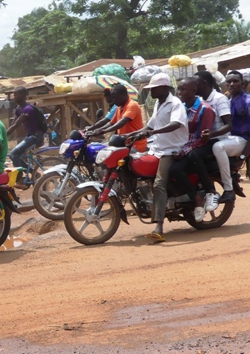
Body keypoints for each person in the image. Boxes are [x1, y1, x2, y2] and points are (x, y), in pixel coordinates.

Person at [132, 73, 188, 242]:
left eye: (154, 89)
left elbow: (176, 124)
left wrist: (153, 132)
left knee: (159, 184)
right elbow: (149, 125)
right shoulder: (159, 103)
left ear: (164, 88)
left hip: (171, 150)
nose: (151, 92)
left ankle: (159, 227)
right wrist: (131, 134)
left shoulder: (175, 103)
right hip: (156, 148)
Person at [169, 78, 218, 222]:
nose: (179, 92)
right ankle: (196, 198)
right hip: (185, 146)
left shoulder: (205, 109)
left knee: (192, 155)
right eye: (178, 89)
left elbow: (204, 137)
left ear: (193, 91)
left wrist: (184, 150)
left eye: (183, 89)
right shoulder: (181, 108)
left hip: (201, 145)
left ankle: (210, 191)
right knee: (174, 170)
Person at [213, 71, 250, 203]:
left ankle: (228, 190)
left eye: (235, 81)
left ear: (243, 83)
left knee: (218, 147)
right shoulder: (228, 99)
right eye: (229, 82)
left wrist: (242, 158)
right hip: (230, 139)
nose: (232, 84)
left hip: (242, 140)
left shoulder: (249, 102)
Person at [87, 84, 147, 152]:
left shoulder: (132, 105)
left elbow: (122, 122)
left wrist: (104, 131)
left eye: (116, 97)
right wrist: (97, 130)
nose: (114, 100)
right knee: (100, 151)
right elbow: (111, 123)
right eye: (113, 98)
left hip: (135, 144)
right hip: (122, 143)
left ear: (124, 95)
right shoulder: (119, 107)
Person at [7, 86, 48, 182]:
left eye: (15, 95)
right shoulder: (18, 109)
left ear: (22, 95)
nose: (14, 97)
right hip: (30, 136)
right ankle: (33, 172)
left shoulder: (28, 109)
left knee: (14, 154)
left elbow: (15, 125)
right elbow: (12, 125)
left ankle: (20, 179)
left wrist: (1, 137)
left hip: (36, 137)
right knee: (14, 155)